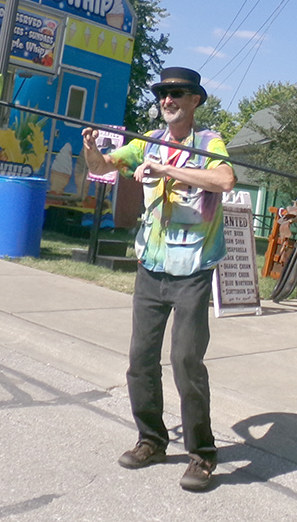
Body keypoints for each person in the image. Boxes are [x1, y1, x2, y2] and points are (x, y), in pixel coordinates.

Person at [82, 67, 235, 491]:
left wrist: (168, 171)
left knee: (186, 362)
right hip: (151, 268)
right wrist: (92, 149)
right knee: (140, 361)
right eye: (164, 93)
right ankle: (152, 439)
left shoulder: (209, 143)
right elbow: (103, 166)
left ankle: (202, 456)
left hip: (192, 273)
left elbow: (224, 179)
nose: (168, 100)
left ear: (195, 101)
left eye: (177, 94)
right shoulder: (147, 142)